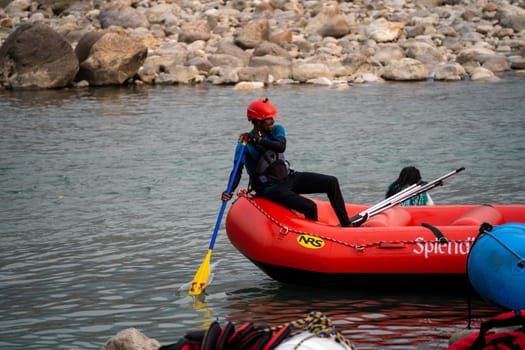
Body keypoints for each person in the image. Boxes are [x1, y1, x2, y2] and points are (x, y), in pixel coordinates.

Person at [221, 97, 353, 227]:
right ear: (257, 121)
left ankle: (347, 225)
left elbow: (281, 146)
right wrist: (229, 191)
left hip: (288, 177)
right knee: (310, 207)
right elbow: (237, 170)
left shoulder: (277, 129)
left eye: (273, 118)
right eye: (268, 119)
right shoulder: (243, 146)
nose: (272, 121)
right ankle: (313, 240)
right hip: (270, 188)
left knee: (331, 182)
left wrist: (257, 140)